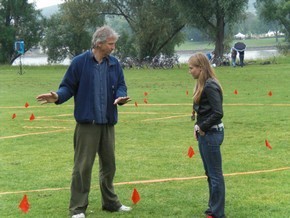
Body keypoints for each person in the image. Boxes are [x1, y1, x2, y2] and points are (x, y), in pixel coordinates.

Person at [36, 25, 132, 218]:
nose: (113, 47)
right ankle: (78, 209)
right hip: (87, 125)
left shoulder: (114, 63)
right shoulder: (79, 63)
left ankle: (111, 203)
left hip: (107, 123)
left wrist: (121, 96)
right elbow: (67, 87)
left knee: (109, 166)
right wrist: (57, 97)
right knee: (83, 167)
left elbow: (121, 85)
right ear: (99, 43)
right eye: (111, 44)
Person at [188, 53, 225, 218]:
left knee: (215, 175)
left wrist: (202, 126)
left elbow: (218, 112)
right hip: (205, 133)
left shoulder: (210, 86)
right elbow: (205, 111)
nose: (189, 71)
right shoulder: (202, 84)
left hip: (211, 134)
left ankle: (217, 213)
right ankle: (212, 208)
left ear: (201, 68)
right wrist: (198, 126)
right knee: (210, 174)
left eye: (191, 68)